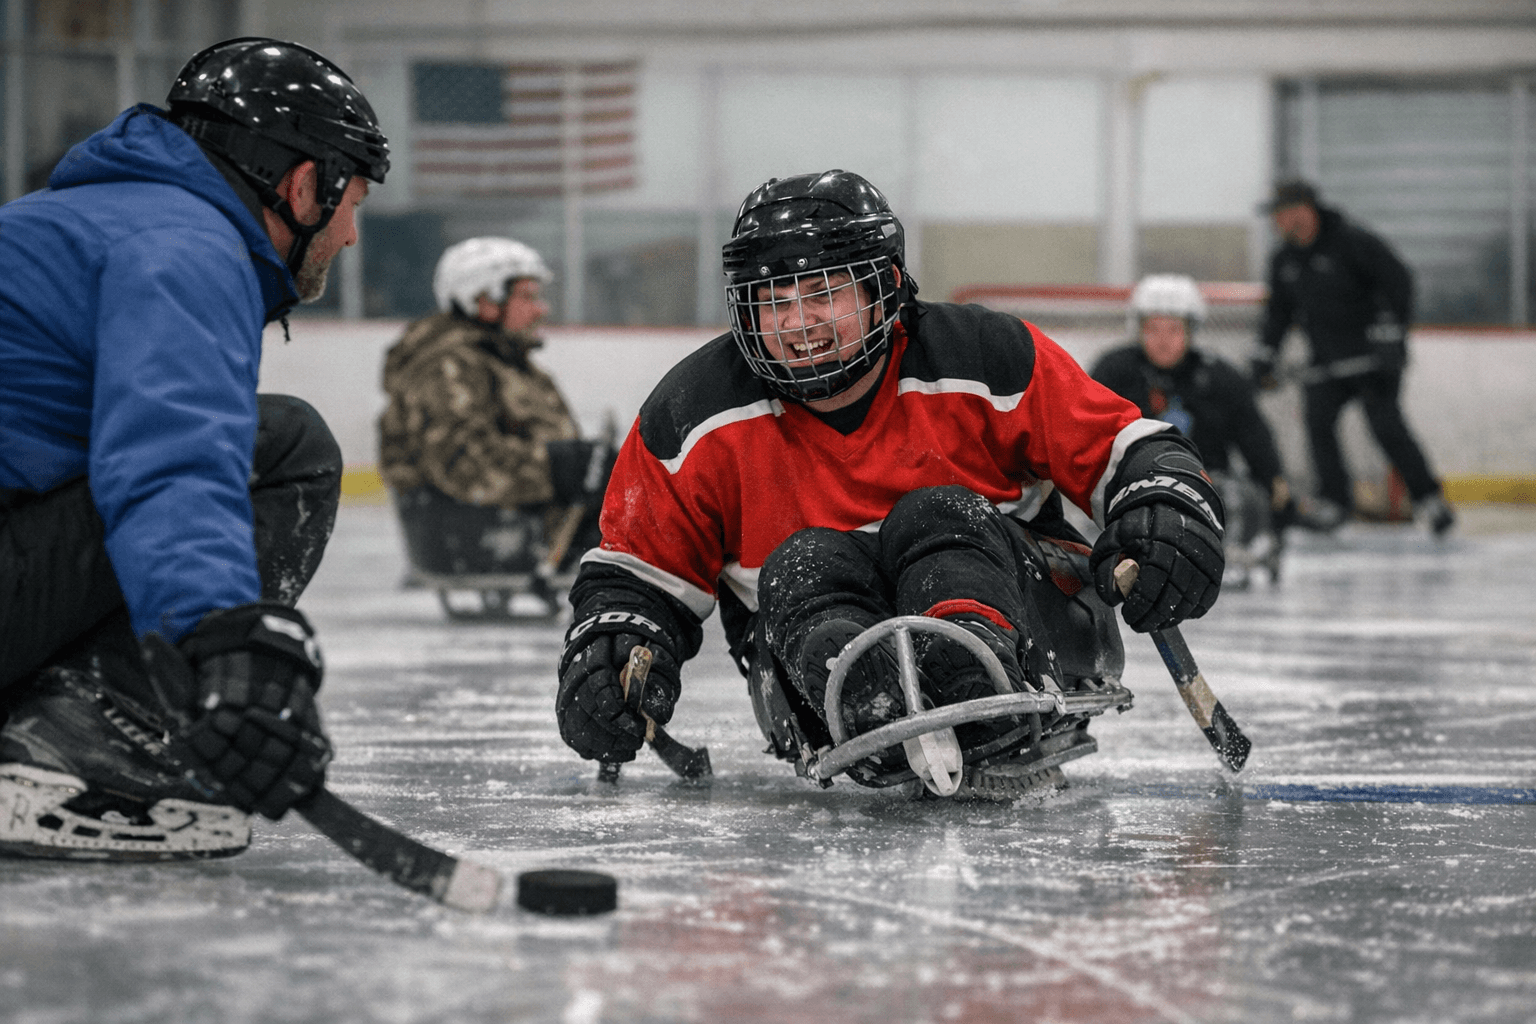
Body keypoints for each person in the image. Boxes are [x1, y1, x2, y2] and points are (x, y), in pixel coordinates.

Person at [552, 170, 1227, 798]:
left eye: (821, 293)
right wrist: (615, 645)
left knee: (937, 518)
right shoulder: (691, 413)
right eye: (772, 300)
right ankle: (861, 693)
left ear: (885, 285)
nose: (796, 324)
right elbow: (637, 573)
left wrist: (1165, 507)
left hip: (1031, 630)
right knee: (805, 562)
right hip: (815, 691)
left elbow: (1127, 449)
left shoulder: (985, 354)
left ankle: (974, 667)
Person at [0, 38, 389, 860]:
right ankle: (83, 743)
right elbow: (171, 461)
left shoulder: (76, 221)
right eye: (354, 200)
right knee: (285, 447)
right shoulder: (186, 246)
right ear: (304, 184)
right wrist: (224, 639)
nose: (352, 235)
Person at [378, 238, 610, 613]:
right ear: (484, 300)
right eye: (528, 296)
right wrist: (562, 466)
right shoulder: (449, 367)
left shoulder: (502, 361)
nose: (542, 309)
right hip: (474, 537)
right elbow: (463, 465)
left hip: (517, 532)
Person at [1251, 180, 1454, 536]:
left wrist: (1390, 331)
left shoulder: (1352, 242)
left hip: (1373, 361)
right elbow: (1278, 315)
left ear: (1303, 210)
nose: (1277, 223)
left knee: (1386, 426)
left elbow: (1398, 280)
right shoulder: (1284, 260)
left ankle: (1429, 499)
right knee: (1318, 424)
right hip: (1325, 361)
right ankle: (1335, 502)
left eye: (1282, 214)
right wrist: (1265, 355)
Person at [1092, 274, 1294, 584]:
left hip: (1206, 487)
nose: (1163, 339)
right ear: (1139, 330)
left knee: (1242, 497)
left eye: (1173, 330)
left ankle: (1225, 554)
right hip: (1131, 488)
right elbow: (1084, 433)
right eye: (1153, 329)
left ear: (1191, 331)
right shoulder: (1114, 371)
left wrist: (1274, 487)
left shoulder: (1221, 377)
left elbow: (1255, 438)